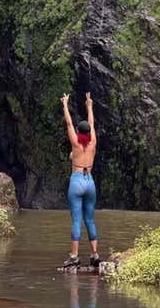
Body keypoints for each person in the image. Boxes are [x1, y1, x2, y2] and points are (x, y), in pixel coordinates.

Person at [61, 92, 99, 268]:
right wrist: (89, 106)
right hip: (89, 181)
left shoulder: (76, 143)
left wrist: (65, 104)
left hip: (76, 181)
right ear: (90, 132)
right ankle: (94, 254)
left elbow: (68, 123)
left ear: (78, 131)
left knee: (76, 220)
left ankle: (74, 257)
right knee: (90, 219)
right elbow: (91, 123)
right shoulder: (93, 144)